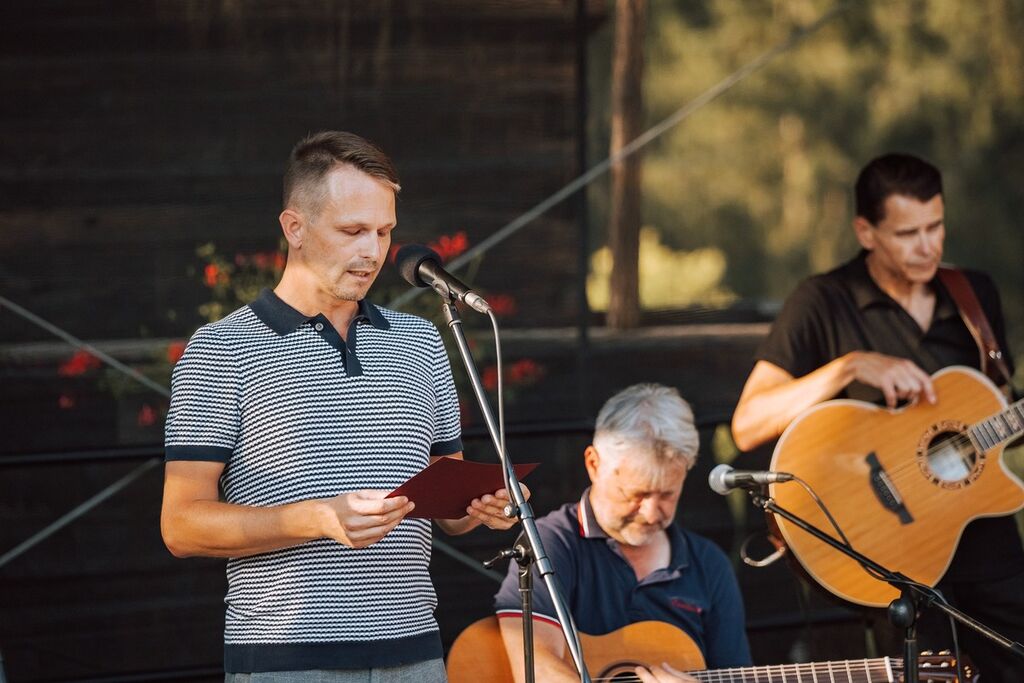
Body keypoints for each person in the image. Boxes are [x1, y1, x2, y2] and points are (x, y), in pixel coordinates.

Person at [160, 130, 524, 682]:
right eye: (352, 231)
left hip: (417, 656)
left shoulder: (421, 342)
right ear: (294, 228)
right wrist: (313, 519)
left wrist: (478, 506)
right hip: (287, 662)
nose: (373, 251)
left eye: (384, 231)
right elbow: (181, 525)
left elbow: (445, 507)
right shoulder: (222, 349)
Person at [731, 153, 1024, 681]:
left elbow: (993, 406)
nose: (928, 245)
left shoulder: (972, 295)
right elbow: (749, 422)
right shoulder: (821, 302)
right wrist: (848, 367)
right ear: (866, 232)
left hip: (983, 530)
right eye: (907, 232)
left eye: (936, 226)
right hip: (892, 547)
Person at [493, 383, 752, 683]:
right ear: (593, 464)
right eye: (636, 494)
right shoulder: (551, 543)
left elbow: (738, 675)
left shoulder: (709, 565)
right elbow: (536, 668)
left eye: (668, 494)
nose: (652, 513)